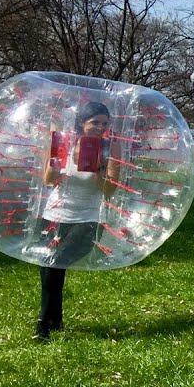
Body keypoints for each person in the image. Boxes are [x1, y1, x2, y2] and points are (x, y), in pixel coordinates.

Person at [35, 101, 120, 341]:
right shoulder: (63, 143)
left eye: (104, 123)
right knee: (48, 267)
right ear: (82, 123)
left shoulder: (109, 148)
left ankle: (42, 323)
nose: (100, 128)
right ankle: (55, 319)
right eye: (95, 122)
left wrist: (98, 172)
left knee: (55, 262)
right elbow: (48, 180)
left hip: (89, 218)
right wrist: (55, 165)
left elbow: (110, 191)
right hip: (55, 214)